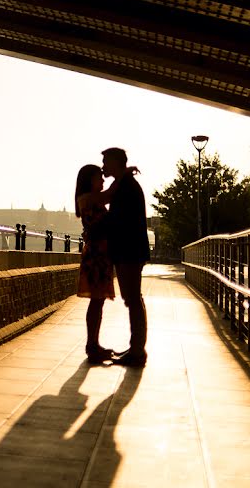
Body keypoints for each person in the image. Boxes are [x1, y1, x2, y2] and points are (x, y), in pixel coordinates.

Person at [74, 163, 137, 363]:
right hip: (96, 256)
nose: (102, 180)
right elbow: (111, 193)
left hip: (100, 254)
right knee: (96, 300)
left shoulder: (93, 199)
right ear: (89, 180)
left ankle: (94, 343)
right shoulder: (87, 198)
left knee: (98, 301)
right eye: (99, 177)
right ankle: (91, 345)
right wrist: (122, 175)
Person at [101, 147, 150, 367]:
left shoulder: (126, 187)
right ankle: (136, 348)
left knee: (133, 299)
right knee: (133, 299)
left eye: (105, 161)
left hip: (128, 251)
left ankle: (138, 351)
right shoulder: (124, 184)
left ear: (115, 162)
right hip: (131, 250)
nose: (103, 166)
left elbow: (119, 220)